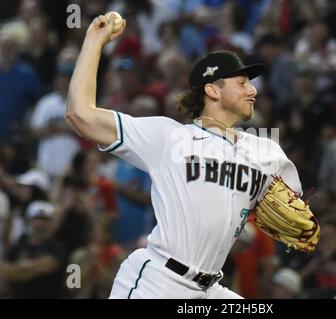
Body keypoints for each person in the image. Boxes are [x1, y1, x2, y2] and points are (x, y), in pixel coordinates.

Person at [65, 14, 304, 299]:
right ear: (213, 89)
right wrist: (94, 41)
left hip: (210, 289)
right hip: (159, 282)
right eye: (241, 83)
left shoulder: (266, 152)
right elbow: (80, 114)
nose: (252, 90)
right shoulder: (169, 137)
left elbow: (292, 213)